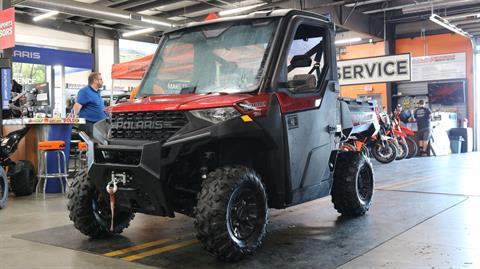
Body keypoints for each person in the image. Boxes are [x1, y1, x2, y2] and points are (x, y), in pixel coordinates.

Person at [73, 72, 107, 137]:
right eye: (101, 79)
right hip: (89, 125)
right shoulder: (85, 91)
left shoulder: (97, 92)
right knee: (91, 145)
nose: (103, 81)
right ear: (95, 80)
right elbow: (76, 107)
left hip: (98, 125)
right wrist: (69, 121)